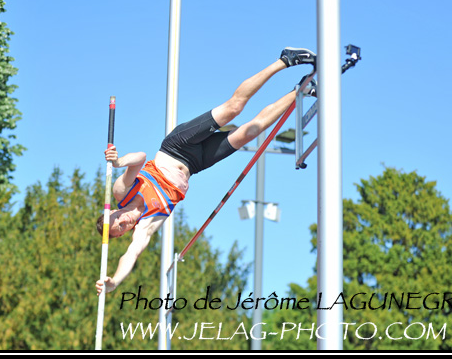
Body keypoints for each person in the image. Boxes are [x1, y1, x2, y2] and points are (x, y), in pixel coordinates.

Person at [95, 47, 317, 295]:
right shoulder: (145, 226)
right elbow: (131, 254)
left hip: (177, 146)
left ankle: (285, 60)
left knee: (234, 108)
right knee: (251, 132)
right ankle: (300, 90)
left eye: (117, 219)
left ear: (113, 211)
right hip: (196, 164)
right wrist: (115, 281)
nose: (123, 222)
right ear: (123, 233)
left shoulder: (121, 192)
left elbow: (140, 158)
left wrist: (119, 162)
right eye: (120, 228)